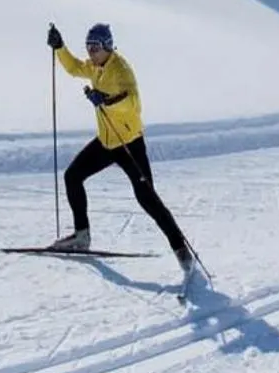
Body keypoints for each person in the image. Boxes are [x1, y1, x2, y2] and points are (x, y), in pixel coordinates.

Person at [46, 21, 194, 270]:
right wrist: (60, 47)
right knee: (72, 176)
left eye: (95, 47)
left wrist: (106, 100)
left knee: (147, 198)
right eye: (88, 46)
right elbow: (73, 68)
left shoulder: (121, 70)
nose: (91, 52)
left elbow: (132, 103)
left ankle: (181, 249)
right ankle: (82, 236)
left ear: (107, 46)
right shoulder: (96, 66)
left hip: (129, 144)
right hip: (106, 142)